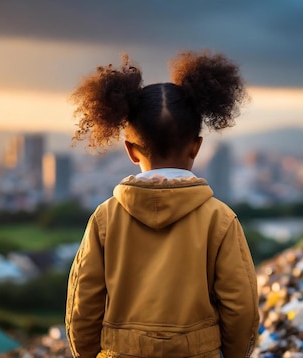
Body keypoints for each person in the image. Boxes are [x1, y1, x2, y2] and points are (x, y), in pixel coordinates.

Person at [65, 51, 260, 358]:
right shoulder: (220, 219)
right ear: (196, 147)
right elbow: (241, 305)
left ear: (130, 150)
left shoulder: (105, 218)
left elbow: (83, 305)